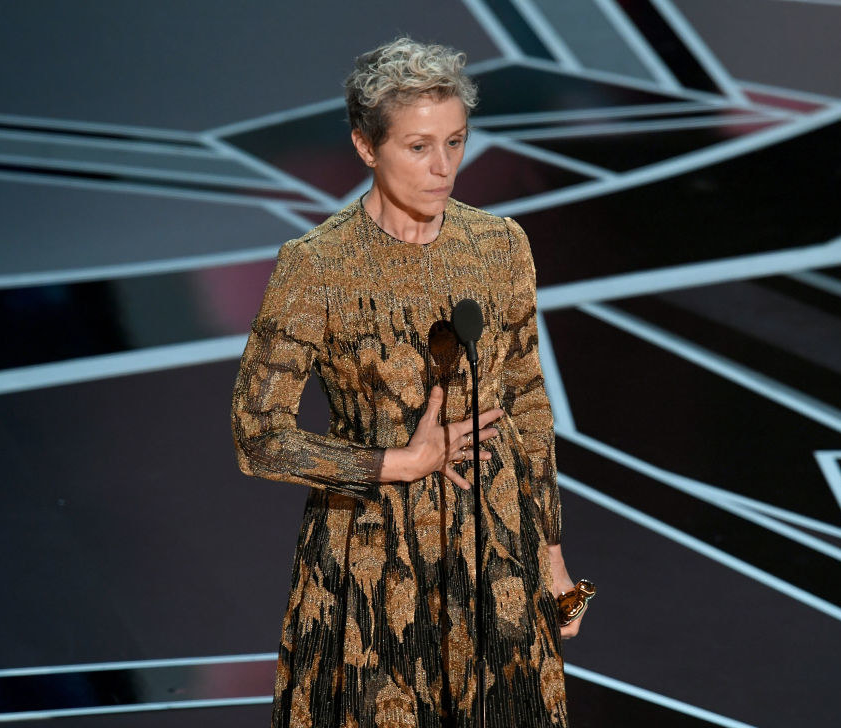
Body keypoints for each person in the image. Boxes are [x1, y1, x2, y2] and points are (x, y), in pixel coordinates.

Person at [231, 36, 584, 728]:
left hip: (495, 551)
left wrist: (552, 554)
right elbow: (259, 437)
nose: (443, 168)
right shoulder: (317, 265)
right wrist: (400, 462)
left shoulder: (500, 244)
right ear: (367, 147)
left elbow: (529, 403)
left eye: (455, 142)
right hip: (372, 559)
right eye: (418, 147)